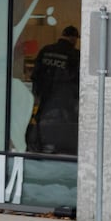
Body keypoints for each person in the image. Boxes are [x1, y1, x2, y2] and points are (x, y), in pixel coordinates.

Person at [31, 25, 80, 154]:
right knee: (62, 126)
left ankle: (40, 147)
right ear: (74, 39)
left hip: (45, 98)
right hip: (64, 100)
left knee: (41, 121)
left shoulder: (46, 50)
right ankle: (56, 150)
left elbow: (35, 75)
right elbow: (78, 80)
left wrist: (38, 94)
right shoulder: (75, 55)